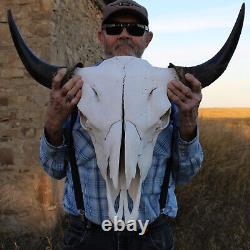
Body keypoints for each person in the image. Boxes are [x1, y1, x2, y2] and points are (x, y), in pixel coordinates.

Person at [39, 0, 203, 249]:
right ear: (101, 36)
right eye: (114, 28)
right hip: (86, 235)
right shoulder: (73, 94)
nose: (124, 34)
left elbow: (185, 174)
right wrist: (53, 123)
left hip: (152, 236)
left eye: (135, 29)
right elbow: (54, 169)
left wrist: (189, 124)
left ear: (147, 38)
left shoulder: (172, 96)